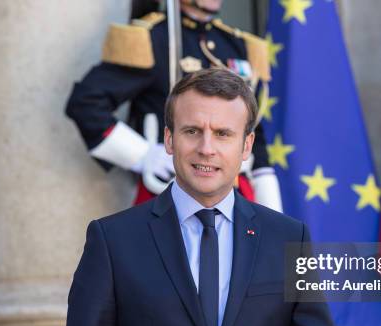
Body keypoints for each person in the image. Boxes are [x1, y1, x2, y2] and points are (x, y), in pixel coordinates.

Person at [58, 68, 346, 326]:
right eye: (192, 131)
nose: (206, 148)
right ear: (168, 139)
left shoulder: (288, 238)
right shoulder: (112, 241)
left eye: (223, 133)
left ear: (246, 145)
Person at [65, 0, 283, 211]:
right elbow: (86, 103)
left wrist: (271, 209)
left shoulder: (238, 45)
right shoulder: (152, 39)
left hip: (238, 194)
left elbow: (253, 129)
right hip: (173, 191)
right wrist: (142, 155)